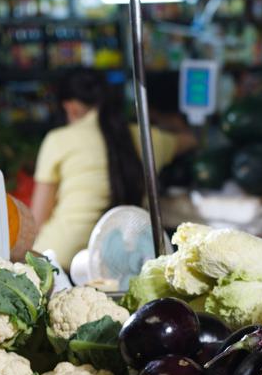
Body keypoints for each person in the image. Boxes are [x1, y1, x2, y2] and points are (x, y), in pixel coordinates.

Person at [31, 68, 193, 271]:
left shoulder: (58, 139)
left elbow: (36, 220)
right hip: (125, 263)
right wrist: (160, 117)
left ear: (70, 108)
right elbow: (191, 139)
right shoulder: (147, 138)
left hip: (60, 258)